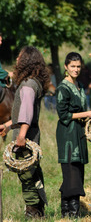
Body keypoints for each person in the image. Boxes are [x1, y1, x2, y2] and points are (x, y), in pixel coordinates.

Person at [0, 46, 50, 218]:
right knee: (31, 171)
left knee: (27, 174)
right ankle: (37, 210)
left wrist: (21, 136)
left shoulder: (28, 85)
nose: (16, 60)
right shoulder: (32, 82)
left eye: (19, 57)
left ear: (26, 61)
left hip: (26, 136)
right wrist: (7, 125)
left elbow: (27, 113)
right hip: (28, 132)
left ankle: (34, 212)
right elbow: (22, 113)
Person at [56, 52, 91, 218]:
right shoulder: (62, 88)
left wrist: (90, 116)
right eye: (72, 66)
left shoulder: (80, 86)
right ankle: (72, 214)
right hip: (67, 134)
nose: (76, 69)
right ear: (66, 67)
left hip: (79, 132)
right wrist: (87, 114)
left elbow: (82, 111)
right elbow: (64, 115)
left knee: (77, 172)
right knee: (71, 172)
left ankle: (67, 214)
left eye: (78, 66)